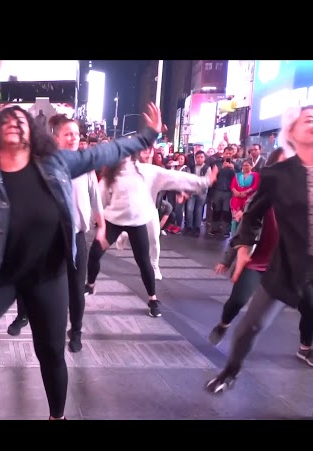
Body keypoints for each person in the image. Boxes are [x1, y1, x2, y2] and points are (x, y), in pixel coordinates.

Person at [0, 103, 163, 420]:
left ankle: (57, 416)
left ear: (33, 132)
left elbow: (103, 154)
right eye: (7, 119)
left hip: (48, 276)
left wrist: (147, 137)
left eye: (22, 119)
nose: (15, 122)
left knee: (51, 354)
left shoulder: (56, 163)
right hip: (0, 276)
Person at [206, 106, 313, 393]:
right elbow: (253, 214)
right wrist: (242, 250)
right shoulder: (277, 175)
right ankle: (229, 372)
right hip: (286, 266)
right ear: (291, 132)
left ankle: (306, 347)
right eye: (308, 118)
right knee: (251, 325)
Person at [6, 114, 106, 353]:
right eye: (68, 134)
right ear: (56, 137)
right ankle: (26, 317)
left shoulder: (86, 168)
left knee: (76, 289)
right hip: (48, 239)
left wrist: (102, 226)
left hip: (76, 239)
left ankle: (77, 331)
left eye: (76, 134)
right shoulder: (43, 164)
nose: (73, 139)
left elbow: (95, 201)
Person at [85, 146, 217, 317]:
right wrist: (90, 223)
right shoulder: (110, 175)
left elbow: (176, 177)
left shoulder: (147, 171)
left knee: (143, 261)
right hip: (113, 221)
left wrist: (204, 181)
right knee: (95, 253)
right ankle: (90, 285)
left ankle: (153, 299)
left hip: (138, 221)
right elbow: (99, 200)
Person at [209, 148, 288, 345]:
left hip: (284, 265)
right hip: (256, 260)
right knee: (237, 301)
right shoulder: (260, 198)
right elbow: (242, 233)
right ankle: (223, 324)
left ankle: (306, 345)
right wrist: (227, 259)